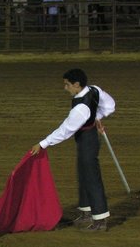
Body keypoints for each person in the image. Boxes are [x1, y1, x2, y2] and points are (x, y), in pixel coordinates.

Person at [30, 68, 116, 232]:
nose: (65, 88)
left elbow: (65, 131)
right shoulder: (94, 89)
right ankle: (87, 211)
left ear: (77, 85)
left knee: (91, 177)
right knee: (84, 173)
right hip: (88, 137)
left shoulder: (80, 108)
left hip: (87, 140)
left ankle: (100, 220)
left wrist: (43, 144)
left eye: (67, 85)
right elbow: (110, 105)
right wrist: (97, 116)